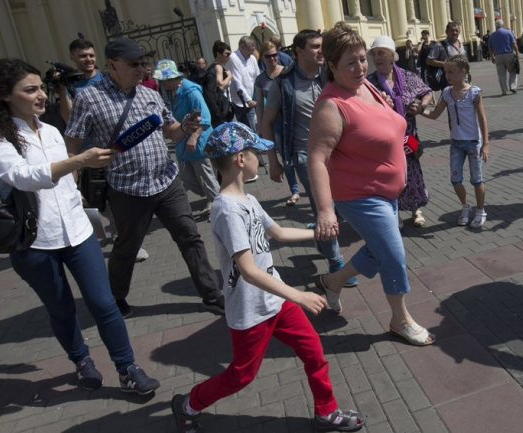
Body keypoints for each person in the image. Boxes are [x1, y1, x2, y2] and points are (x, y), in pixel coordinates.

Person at [0, 58, 159, 395]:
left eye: (41, 88)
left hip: (78, 232)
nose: (41, 95)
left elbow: (65, 179)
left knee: (104, 303)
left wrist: (82, 197)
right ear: (5, 95)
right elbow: (21, 177)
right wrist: (79, 160)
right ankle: (81, 360)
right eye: (30, 90)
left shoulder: (50, 130)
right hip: (32, 240)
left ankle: (128, 368)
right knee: (62, 309)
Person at [170, 121, 365, 433]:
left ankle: (326, 413)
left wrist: (317, 233)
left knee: (314, 350)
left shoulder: (248, 200)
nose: (258, 159)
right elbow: (248, 270)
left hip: (275, 300)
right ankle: (187, 405)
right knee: (241, 375)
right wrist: (298, 295)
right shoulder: (227, 210)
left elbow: (278, 233)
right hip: (250, 310)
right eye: (254, 153)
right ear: (238, 159)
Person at [65, 38, 225, 318]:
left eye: (143, 63)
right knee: (127, 247)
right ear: (112, 65)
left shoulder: (149, 94)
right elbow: (73, 146)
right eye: (134, 64)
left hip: (166, 180)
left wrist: (185, 127)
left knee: (190, 237)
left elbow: (170, 130)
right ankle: (114, 299)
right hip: (127, 188)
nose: (142, 69)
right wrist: (72, 183)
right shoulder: (88, 98)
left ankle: (212, 295)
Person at [306, 22, 434, 346]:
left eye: (362, 58)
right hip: (360, 195)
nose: (360, 67)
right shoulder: (331, 105)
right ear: (331, 66)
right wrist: (324, 211)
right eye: (350, 62)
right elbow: (317, 160)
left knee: (377, 251)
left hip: (387, 192)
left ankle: (333, 281)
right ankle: (399, 319)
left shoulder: (366, 86)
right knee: (393, 253)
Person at [261, 28, 357, 288]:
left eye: (322, 46)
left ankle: (321, 238)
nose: (321, 51)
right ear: (298, 51)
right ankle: (336, 262)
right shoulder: (283, 83)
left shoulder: (331, 75)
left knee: (339, 207)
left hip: (338, 152)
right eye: (315, 46)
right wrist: (272, 159)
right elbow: (266, 122)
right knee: (324, 208)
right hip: (305, 156)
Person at [58, 38, 149, 262]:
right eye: (82, 56)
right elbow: (69, 120)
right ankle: (120, 237)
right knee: (99, 201)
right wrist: (61, 88)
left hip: (115, 151)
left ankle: (129, 241)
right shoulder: (73, 85)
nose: (88, 60)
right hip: (89, 154)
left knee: (120, 201)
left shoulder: (107, 78)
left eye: (91, 55)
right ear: (73, 58)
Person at [366, 35, 432, 227]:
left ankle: (416, 209)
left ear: (392, 56)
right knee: (389, 176)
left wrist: (420, 107)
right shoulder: (369, 84)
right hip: (385, 140)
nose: (377, 58)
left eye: (381, 53)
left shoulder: (407, 76)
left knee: (412, 173)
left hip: (409, 136)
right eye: (374, 54)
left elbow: (427, 92)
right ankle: (393, 214)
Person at [421, 55, 490, 229]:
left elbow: (482, 119)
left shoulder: (474, 92)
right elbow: (435, 114)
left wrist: (486, 144)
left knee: (477, 179)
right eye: (446, 72)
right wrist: (420, 110)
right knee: (455, 179)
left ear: (463, 72)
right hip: (456, 144)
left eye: (451, 72)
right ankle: (466, 207)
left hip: (474, 142)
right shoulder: (446, 93)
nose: (447, 75)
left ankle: (481, 211)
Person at [153, 59, 220, 215]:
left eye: (163, 80)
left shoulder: (191, 91)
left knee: (206, 178)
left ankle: (219, 209)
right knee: (187, 176)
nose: (161, 83)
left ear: (172, 78)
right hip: (183, 141)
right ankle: (214, 198)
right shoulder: (171, 92)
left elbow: (205, 117)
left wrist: (194, 137)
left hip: (198, 140)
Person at [254, 41, 300, 206]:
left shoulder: (287, 72)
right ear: (262, 58)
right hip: (275, 122)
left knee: (301, 155)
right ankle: (294, 190)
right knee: (285, 157)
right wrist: (260, 125)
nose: (272, 59)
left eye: (275, 55)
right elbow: (259, 104)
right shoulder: (260, 79)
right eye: (268, 56)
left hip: (293, 118)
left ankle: (310, 185)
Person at [225, 35, 260, 131]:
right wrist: (248, 100)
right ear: (242, 47)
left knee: (253, 129)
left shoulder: (252, 58)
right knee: (250, 131)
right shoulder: (233, 58)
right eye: (250, 50)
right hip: (240, 102)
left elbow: (258, 77)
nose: (252, 53)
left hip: (252, 99)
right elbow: (237, 82)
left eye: (253, 50)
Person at [425, 21, 466, 91]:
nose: (454, 33)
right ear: (446, 32)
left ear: (459, 32)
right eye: (452, 30)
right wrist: (447, 64)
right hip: (448, 81)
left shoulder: (461, 44)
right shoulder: (440, 45)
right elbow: (429, 61)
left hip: (463, 79)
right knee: (450, 100)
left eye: (456, 31)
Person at [488, 19, 520, 95]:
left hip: (498, 56)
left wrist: (492, 56)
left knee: (501, 75)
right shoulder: (508, 32)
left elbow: (490, 47)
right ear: (502, 25)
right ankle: (513, 87)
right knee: (512, 71)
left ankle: (504, 90)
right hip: (509, 54)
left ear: (496, 26)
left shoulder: (492, 35)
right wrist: (517, 53)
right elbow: (514, 44)